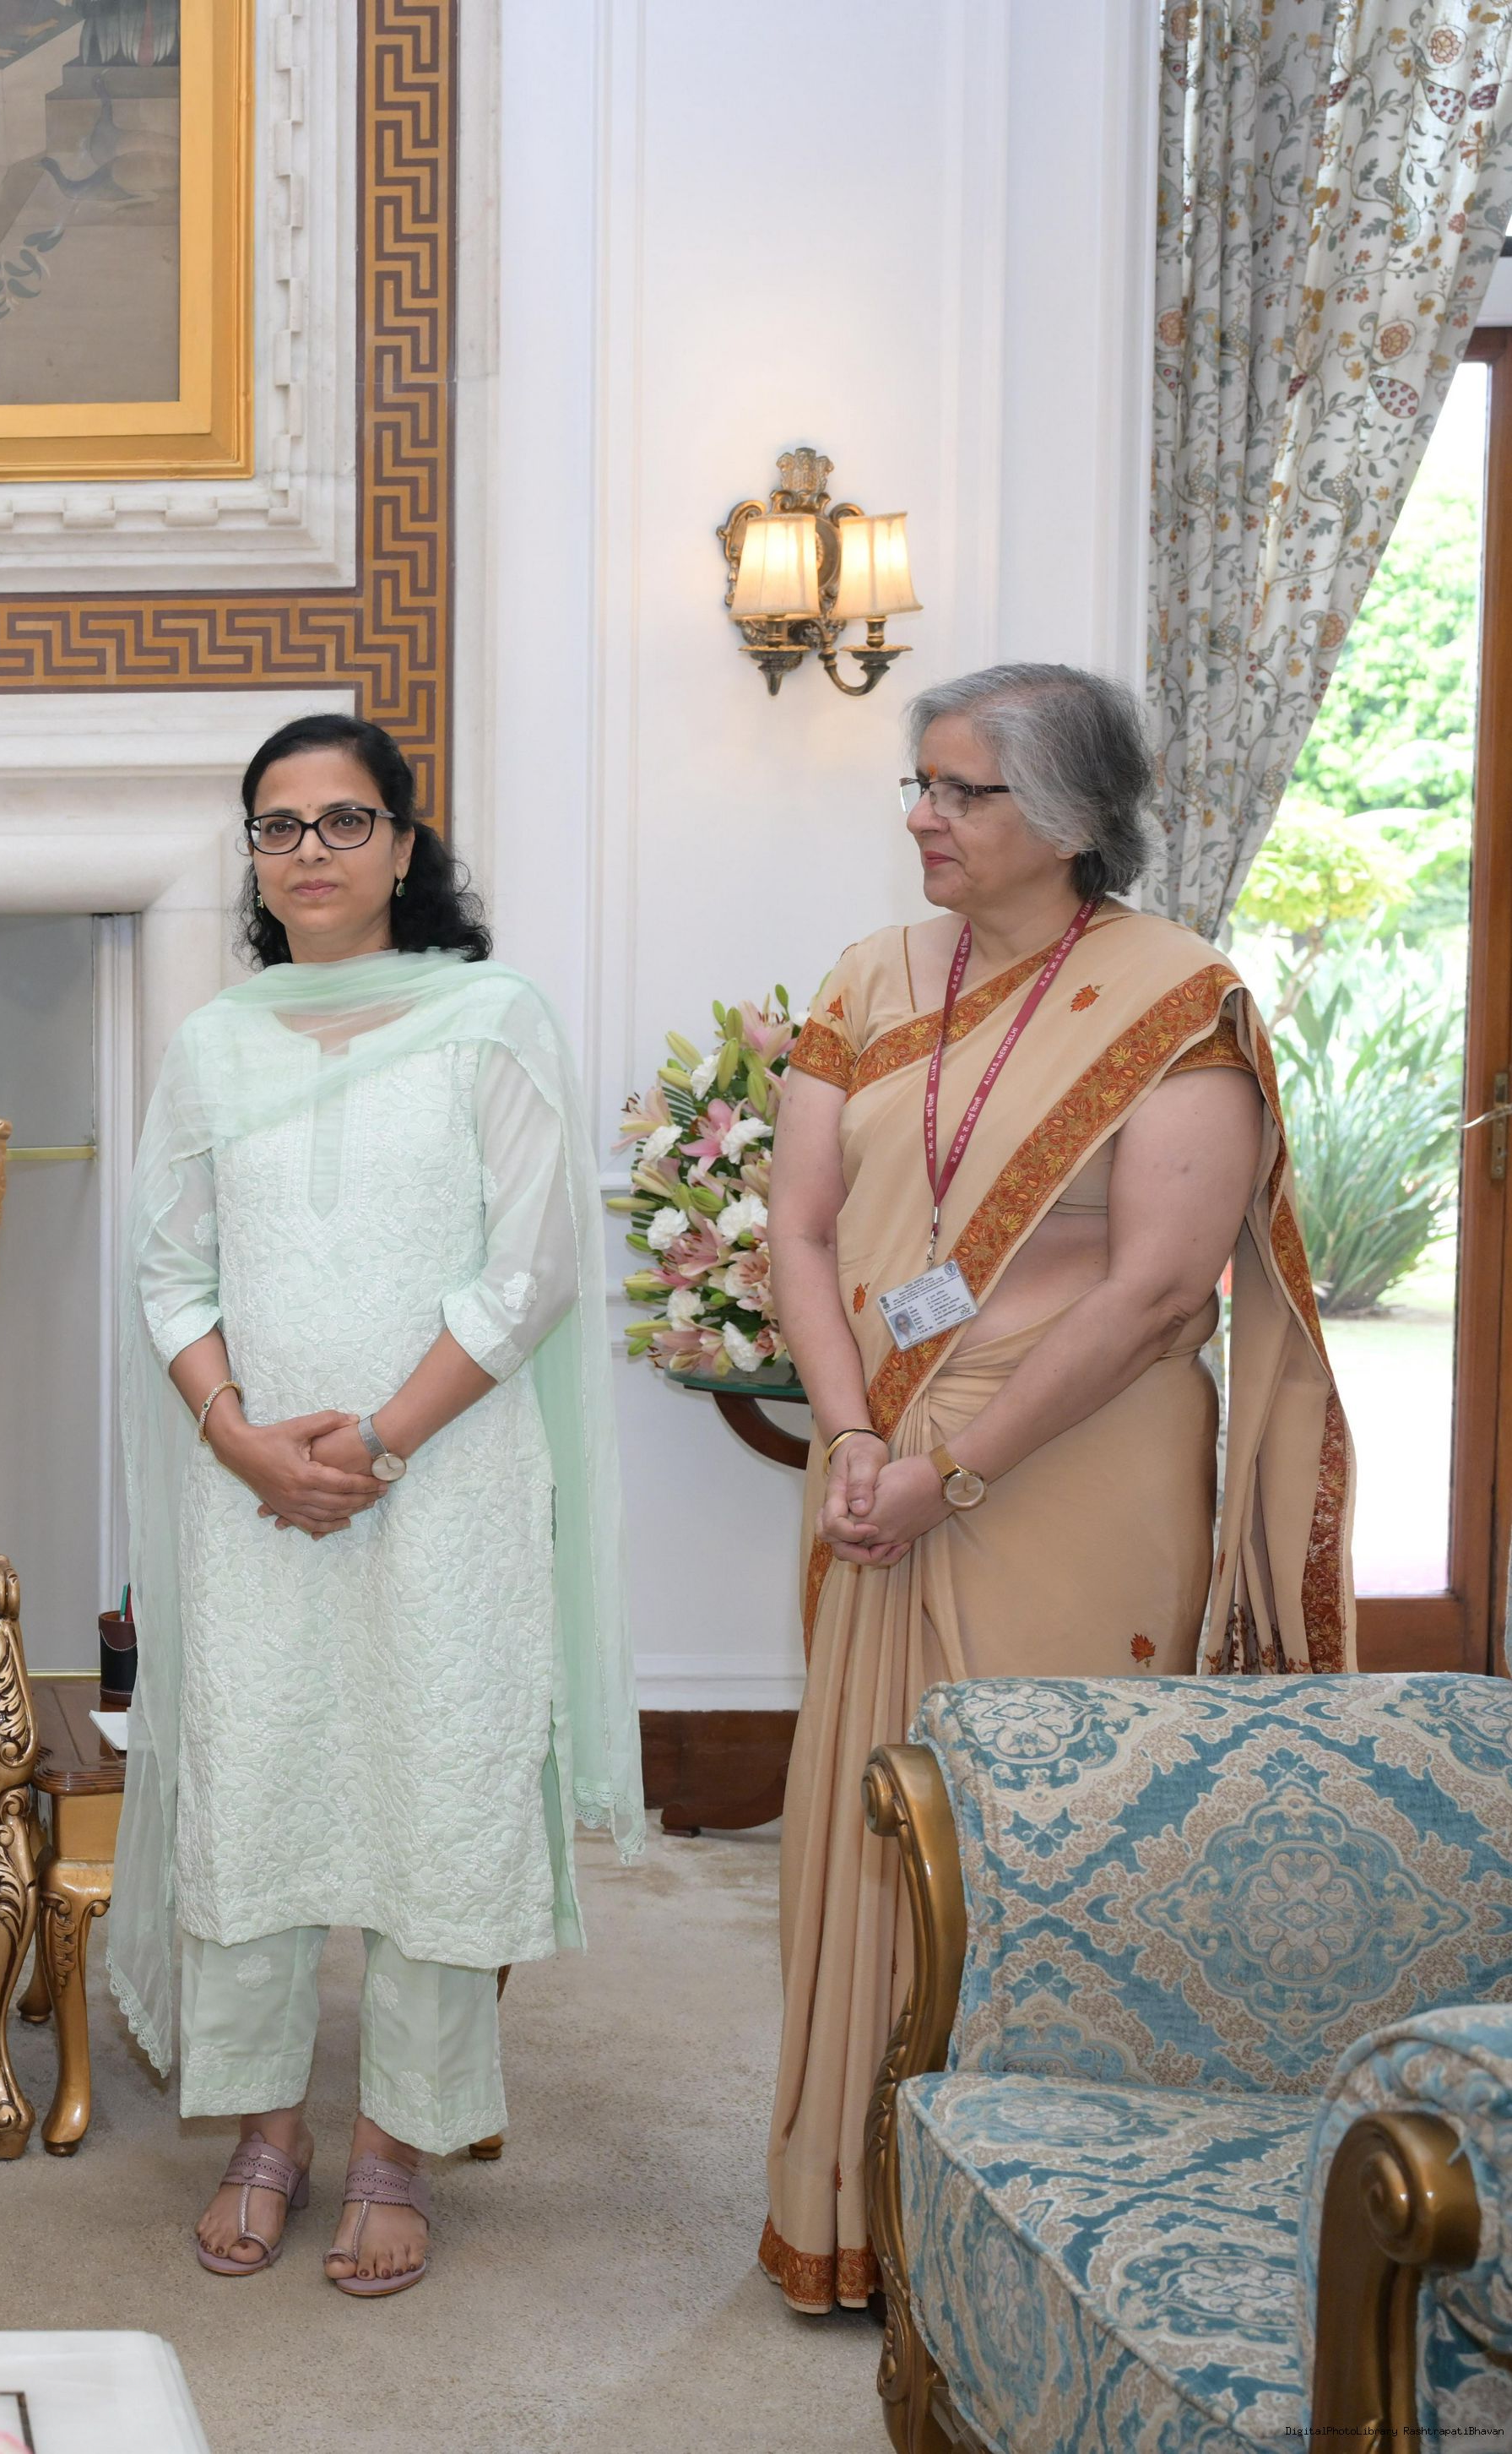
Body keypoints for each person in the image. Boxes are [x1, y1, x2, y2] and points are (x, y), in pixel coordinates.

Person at [758, 662, 1351, 2315]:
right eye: (919, 784)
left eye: (964, 790)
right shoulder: (869, 976)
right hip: (874, 1457)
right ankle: (854, 2209)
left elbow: (1157, 1289)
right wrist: (852, 1436)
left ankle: (1046, 2244)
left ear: (1074, 816)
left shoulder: (1174, 997)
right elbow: (797, 1225)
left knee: (1055, 1844)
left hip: (1071, 1466)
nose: (923, 817)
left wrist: (953, 1468)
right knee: (866, 1824)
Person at [108, 711, 646, 2297]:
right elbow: (169, 1269)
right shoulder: (215, 1042)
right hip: (253, 1494)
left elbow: (533, 1267)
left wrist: (380, 1444)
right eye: (279, 827)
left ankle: (402, 2145)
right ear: (252, 858)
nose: (311, 853)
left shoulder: (492, 1017)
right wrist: (239, 1437)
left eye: (346, 821)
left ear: (406, 847)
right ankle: (265, 2133)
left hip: (448, 1483)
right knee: (255, 1787)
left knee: (436, 1796)